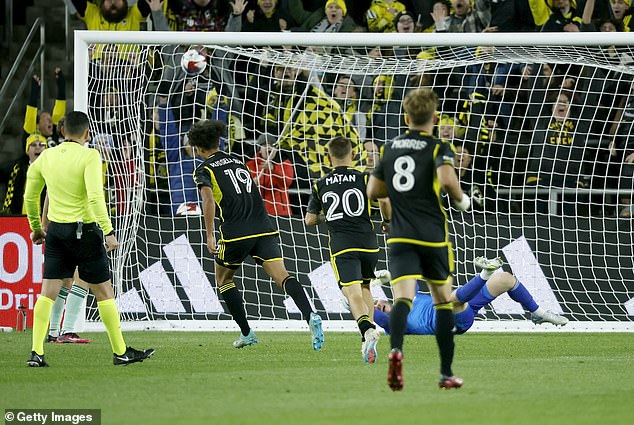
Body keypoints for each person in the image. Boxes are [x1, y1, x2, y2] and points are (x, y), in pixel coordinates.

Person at [23, 111, 154, 367]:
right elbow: (95, 197)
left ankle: (36, 352)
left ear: (62, 131)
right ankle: (120, 352)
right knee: (104, 292)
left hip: (57, 233)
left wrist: (37, 227)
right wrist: (108, 231)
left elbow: (30, 195)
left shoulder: (47, 156)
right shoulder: (90, 155)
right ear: (87, 134)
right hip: (85, 232)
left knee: (47, 292)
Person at [367, 87, 471, 391]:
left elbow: (374, 192)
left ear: (407, 116)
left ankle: (396, 351)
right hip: (432, 236)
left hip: (400, 235)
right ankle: (445, 373)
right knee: (442, 302)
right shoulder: (438, 146)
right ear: (434, 117)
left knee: (402, 298)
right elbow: (449, 179)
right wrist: (462, 200)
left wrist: (398, 195)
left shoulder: (390, 147)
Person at [188, 119, 324, 350]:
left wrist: (210, 235)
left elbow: (208, 200)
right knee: (283, 276)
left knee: (223, 279)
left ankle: (247, 333)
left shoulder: (204, 169)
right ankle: (310, 314)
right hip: (263, 227)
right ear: (218, 141)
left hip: (235, 232)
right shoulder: (239, 162)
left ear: (198, 148)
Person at [305, 136, 383, 363]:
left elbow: (310, 220)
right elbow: (380, 201)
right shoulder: (365, 177)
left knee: (352, 293)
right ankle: (365, 341)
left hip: (343, 245)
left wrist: (327, 215)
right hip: (369, 243)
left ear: (328, 157)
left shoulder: (321, 184)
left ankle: (368, 330)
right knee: (366, 287)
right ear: (354, 155)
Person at [374, 256, 569, 338]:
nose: (378, 306)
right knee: (450, 301)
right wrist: (362, 305)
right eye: (374, 307)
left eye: (376, 302)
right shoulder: (395, 325)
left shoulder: (409, 299)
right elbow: (380, 318)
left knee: (505, 279)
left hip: (459, 304)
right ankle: (484, 274)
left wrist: (391, 277)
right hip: (453, 321)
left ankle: (538, 313)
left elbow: (406, 279)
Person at [246, 133, 294, 217]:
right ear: (259, 149)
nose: (268, 147)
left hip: (281, 213)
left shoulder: (284, 163)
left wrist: (273, 169)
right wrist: (250, 184)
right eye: (264, 145)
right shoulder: (250, 165)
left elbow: (287, 182)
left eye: (272, 145)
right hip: (257, 213)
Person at [1, 134, 47, 215]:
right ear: (27, 151)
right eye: (33, 145)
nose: (37, 147)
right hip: (17, 219)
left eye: (41, 145)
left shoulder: (52, 170)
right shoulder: (16, 168)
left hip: (43, 220)